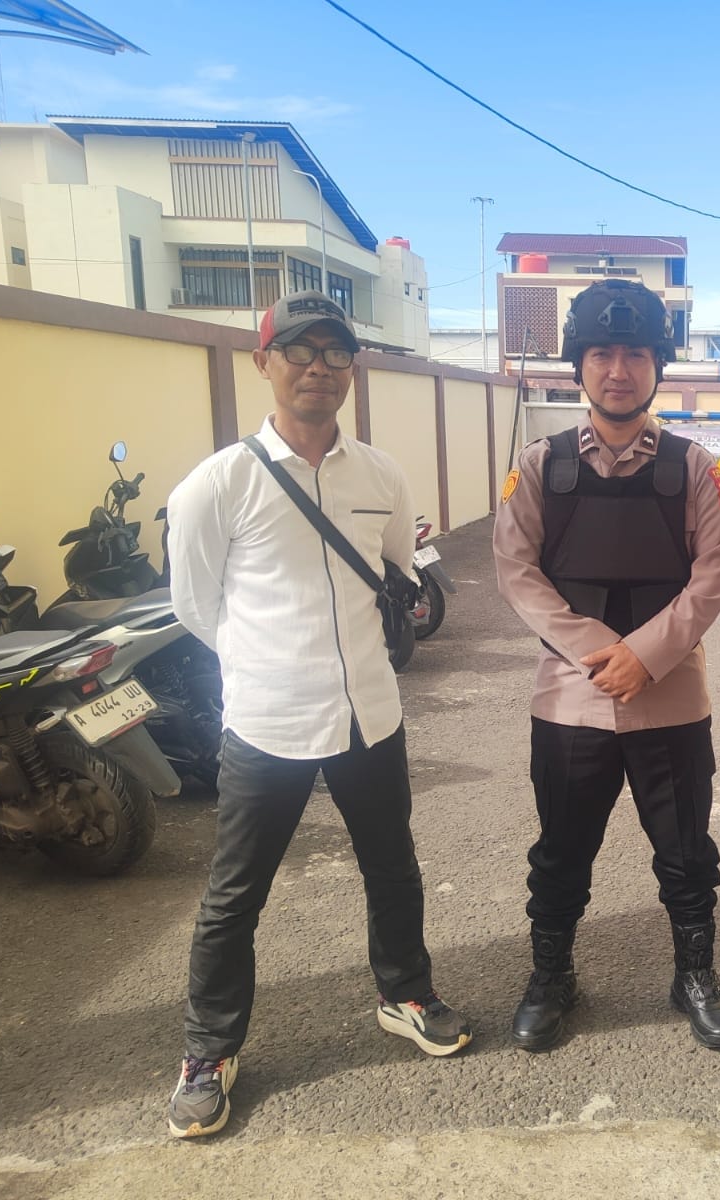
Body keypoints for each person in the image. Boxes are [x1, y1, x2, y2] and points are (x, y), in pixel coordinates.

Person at [163, 291, 468, 1140]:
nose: (318, 368)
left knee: (393, 866)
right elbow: (195, 605)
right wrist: (267, 664)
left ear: (352, 368)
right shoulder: (218, 483)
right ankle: (208, 1051)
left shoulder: (380, 474)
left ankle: (405, 993)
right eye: (299, 350)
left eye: (336, 353)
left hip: (371, 713)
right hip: (268, 723)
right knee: (235, 896)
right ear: (263, 361)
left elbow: (394, 571)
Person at [493, 278, 720, 1052]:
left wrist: (647, 655)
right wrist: (597, 652)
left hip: (672, 701)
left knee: (687, 854)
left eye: (636, 354)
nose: (619, 369)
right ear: (579, 366)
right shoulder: (542, 466)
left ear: (658, 365)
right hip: (570, 701)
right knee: (561, 853)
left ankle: (694, 974)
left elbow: (716, 573)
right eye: (602, 353)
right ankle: (552, 977)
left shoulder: (694, 469)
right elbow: (516, 571)